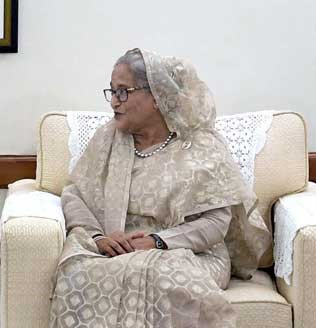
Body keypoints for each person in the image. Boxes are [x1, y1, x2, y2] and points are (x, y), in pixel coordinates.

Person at [50, 48, 271, 327]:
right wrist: (98, 237)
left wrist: (157, 242)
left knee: (161, 275)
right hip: (116, 248)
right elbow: (75, 193)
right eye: (112, 91)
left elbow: (216, 223)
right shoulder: (108, 138)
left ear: (155, 95)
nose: (114, 102)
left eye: (123, 91)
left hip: (187, 254)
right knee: (76, 273)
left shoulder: (201, 146)